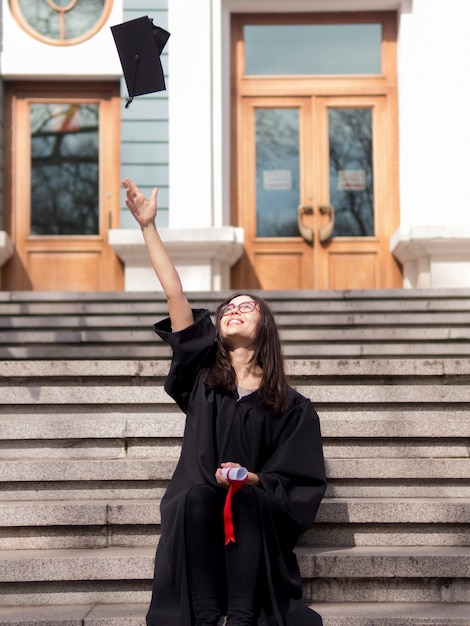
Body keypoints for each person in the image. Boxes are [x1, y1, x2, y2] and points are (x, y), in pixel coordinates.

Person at [122, 177, 327, 626]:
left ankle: (238, 618)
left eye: (247, 306)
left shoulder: (292, 408)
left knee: (247, 499)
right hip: (197, 510)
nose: (233, 309)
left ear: (265, 328)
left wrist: (252, 479)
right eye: (228, 307)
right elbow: (176, 295)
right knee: (196, 497)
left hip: (254, 517)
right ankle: (207, 614)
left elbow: (300, 482)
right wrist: (148, 228)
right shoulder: (201, 379)